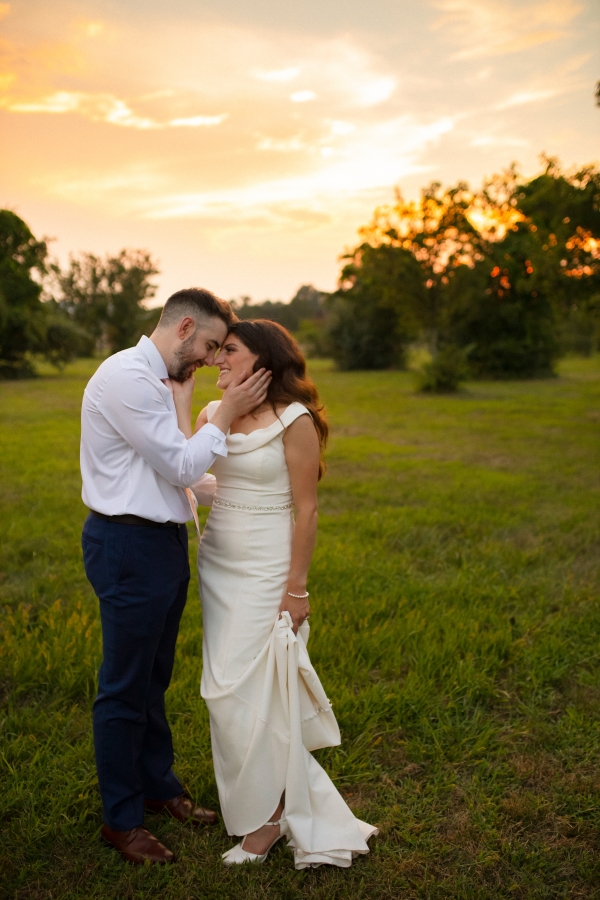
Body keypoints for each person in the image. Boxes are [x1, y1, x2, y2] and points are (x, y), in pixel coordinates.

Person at [174, 319, 378, 869]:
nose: (218, 359)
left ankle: (266, 822)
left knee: (251, 690)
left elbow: (307, 509)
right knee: (221, 689)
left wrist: (297, 589)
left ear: (263, 360)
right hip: (218, 563)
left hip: (269, 569)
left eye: (229, 351)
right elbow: (185, 473)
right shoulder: (212, 417)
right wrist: (191, 399)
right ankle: (267, 801)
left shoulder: (296, 420)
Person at [80, 288, 271, 865]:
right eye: (211, 345)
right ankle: (122, 818)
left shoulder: (158, 381)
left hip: (159, 541)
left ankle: (159, 786)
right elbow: (185, 463)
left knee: (154, 677)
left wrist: (251, 493)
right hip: (127, 546)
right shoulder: (127, 379)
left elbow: (173, 476)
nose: (213, 360)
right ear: (184, 327)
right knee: (123, 687)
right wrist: (230, 412)